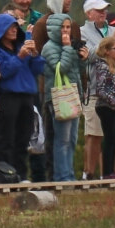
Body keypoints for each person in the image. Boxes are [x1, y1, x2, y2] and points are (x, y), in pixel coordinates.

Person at [0, 14, 43, 181]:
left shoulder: (21, 46)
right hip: (8, 96)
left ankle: (21, 174)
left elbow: (38, 69)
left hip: (27, 96)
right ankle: (5, 174)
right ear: (1, 30)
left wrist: (34, 54)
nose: (13, 30)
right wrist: (20, 57)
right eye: (10, 27)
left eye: (15, 27)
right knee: (7, 137)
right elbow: (3, 71)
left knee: (23, 138)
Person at [41, 10, 86, 182]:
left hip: (72, 94)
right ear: (54, 29)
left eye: (68, 27)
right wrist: (68, 48)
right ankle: (62, 176)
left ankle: (69, 173)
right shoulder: (49, 48)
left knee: (72, 139)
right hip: (58, 97)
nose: (66, 31)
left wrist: (83, 59)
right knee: (63, 139)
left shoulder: (69, 46)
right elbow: (61, 67)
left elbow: (76, 70)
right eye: (63, 27)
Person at [86, 33, 115, 179]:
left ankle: (112, 171)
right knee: (109, 139)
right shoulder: (102, 66)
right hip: (106, 107)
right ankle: (106, 172)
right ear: (106, 51)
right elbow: (101, 90)